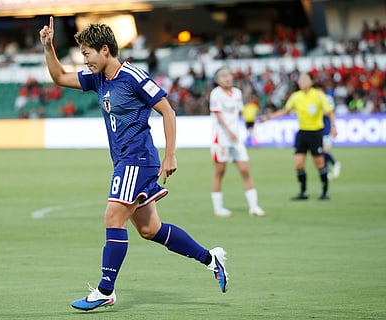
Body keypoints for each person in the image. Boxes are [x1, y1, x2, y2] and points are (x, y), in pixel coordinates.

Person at [39, 17, 228, 311]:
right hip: (127, 160)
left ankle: (105, 290)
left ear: (104, 50)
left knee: (113, 217)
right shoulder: (99, 78)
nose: (85, 60)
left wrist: (170, 155)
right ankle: (210, 258)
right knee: (150, 229)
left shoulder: (133, 77)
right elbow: (60, 77)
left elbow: (168, 111)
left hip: (137, 159)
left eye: (87, 54)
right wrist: (49, 47)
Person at [260, 73, 337, 200]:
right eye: (300, 80)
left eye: (305, 79)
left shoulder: (318, 95)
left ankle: (325, 192)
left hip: (315, 132)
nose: (302, 82)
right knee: (299, 163)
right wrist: (268, 117)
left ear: (311, 82)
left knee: (320, 164)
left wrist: (334, 127)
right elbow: (285, 110)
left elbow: (329, 112)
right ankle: (303, 192)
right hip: (302, 133)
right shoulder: (296, 96)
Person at [209, 67, 265, 217]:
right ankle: (218, 209)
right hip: (221, 138)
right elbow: (219, 116)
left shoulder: (237, 93)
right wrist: (229, 132)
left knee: (245, 170)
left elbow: (240, 113)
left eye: (228, 75)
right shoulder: (216, 94)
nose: (227, 78)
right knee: (220, 172)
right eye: (223, 76)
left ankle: (254, 207)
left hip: (235, 139)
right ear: (217, 80)